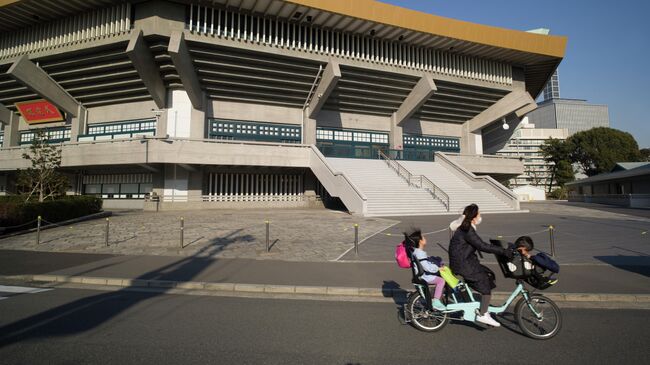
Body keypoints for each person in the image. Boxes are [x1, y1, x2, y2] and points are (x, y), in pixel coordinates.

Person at [448, 204, 513, 327]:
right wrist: (503, 251)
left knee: (488, 275)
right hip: (463, 263)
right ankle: (483, 314)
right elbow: (482, 246)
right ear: (473, 216)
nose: (480, 216)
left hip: (464, 261)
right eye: (479, 214)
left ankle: (474, 303)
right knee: (484, 283)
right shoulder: (467, 230)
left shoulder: (464, 227)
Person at [405, 229, 446, 311]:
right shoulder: (420, 253)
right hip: (424, 277)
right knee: (441, 281)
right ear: (420, 241)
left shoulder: (416, 252)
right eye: (423, 237)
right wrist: (438, 268)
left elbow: (425, 264)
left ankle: (437, 296)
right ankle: (436, 301)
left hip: (421, 275)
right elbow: (427, 267)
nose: (425, 238)